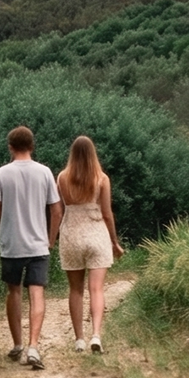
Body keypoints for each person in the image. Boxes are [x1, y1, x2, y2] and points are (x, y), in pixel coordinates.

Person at [0, 125, 61, 369]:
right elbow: (56, 210)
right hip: (38, 245)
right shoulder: (45, 172)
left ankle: (17, 344)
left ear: (10, 147)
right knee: (37, 292)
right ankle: (34, 347)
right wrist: (50, 239)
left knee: (13, 292)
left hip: (11, 245)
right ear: (32, 146)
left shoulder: (0, 174)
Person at [55, 134, 124, 353]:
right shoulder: (102, 179)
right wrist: (114, 242)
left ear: (72, 154)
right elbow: (107, 213)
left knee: (75, 290)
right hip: (96, 234)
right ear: (93, 153)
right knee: (96, 289)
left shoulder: (62, 178)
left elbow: (59, 210)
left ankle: (79, 339)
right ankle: (96, 334)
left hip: (71, 235)